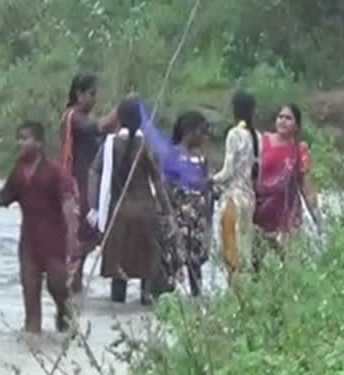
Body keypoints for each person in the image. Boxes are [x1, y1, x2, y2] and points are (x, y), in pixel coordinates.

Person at [0, 122, 77, 334]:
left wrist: (72, 238)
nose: (19, 143)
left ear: (38, 143)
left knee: (58, 287)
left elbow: (68, 204)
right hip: (29, 245)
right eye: (18, 138)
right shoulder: (18, 172)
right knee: (30, 300)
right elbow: (3, 198)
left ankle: (66, 318)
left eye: (25, 138)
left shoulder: (55, 172)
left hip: (54, 242)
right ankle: (32, 345)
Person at [86, 98, 177, 305]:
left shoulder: (110, 145)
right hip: (146, 214)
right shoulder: (145, 147)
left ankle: (117, 321)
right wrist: (169, 214)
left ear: (118, 119)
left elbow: (94, 173)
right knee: (148, 275)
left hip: (119, 216)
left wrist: (94, 208)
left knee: (119, 280)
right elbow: (158, 182)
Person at [59, 73, 118, 293]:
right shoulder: (73, 117)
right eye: (91, 94)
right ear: (79, 94)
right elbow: (98, 127)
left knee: (85, 238)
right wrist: (118, 112)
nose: (95, 99)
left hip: (86, 186)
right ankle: (67, 289)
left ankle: (74, 286)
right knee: (76, 241)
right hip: (74, 186)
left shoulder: (82, 118)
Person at [254, 104, 321, 259]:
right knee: (257, 265)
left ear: (296, 126)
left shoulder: (299, 151)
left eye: (288, 118)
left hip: (288, 219)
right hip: (259, 216)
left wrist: (319, 221)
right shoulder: (261, 142)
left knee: (290, 265)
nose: (283, 121)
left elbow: (307, 188)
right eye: (280, 117)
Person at [212, 90, 261, 280]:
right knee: (245, 249)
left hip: (233, 198)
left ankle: (234, 292)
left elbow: (227, 172)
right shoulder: (257, 136)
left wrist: (210, 180)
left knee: (230, 249)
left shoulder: (234, 134)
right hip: (250, 198)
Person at [166, 111, 213, 296]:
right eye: (202, 132)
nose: (204, 137)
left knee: (196, 262)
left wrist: (208, 219)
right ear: (190, 132)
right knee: (173, 261)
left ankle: (196, 297)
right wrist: (170, 215)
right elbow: (166, 185)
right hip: (178, 218)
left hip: (197, 220)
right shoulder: (173, 156)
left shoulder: (202, 159)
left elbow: (207, 189)